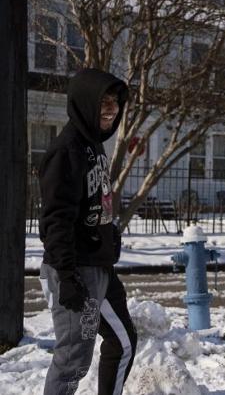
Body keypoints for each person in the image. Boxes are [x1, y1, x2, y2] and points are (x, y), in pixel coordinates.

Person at [39, 68, 137, 395]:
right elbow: (56, 220)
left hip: (99, 265)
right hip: (76, 270)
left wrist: (110, 237)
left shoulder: (93, 145)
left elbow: (96, 202)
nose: (110, 109)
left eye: (115, 102)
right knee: (72, 362)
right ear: (84, 103)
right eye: (103, 102)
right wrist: (67, 276)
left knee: (123, 341)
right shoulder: (65, 151)